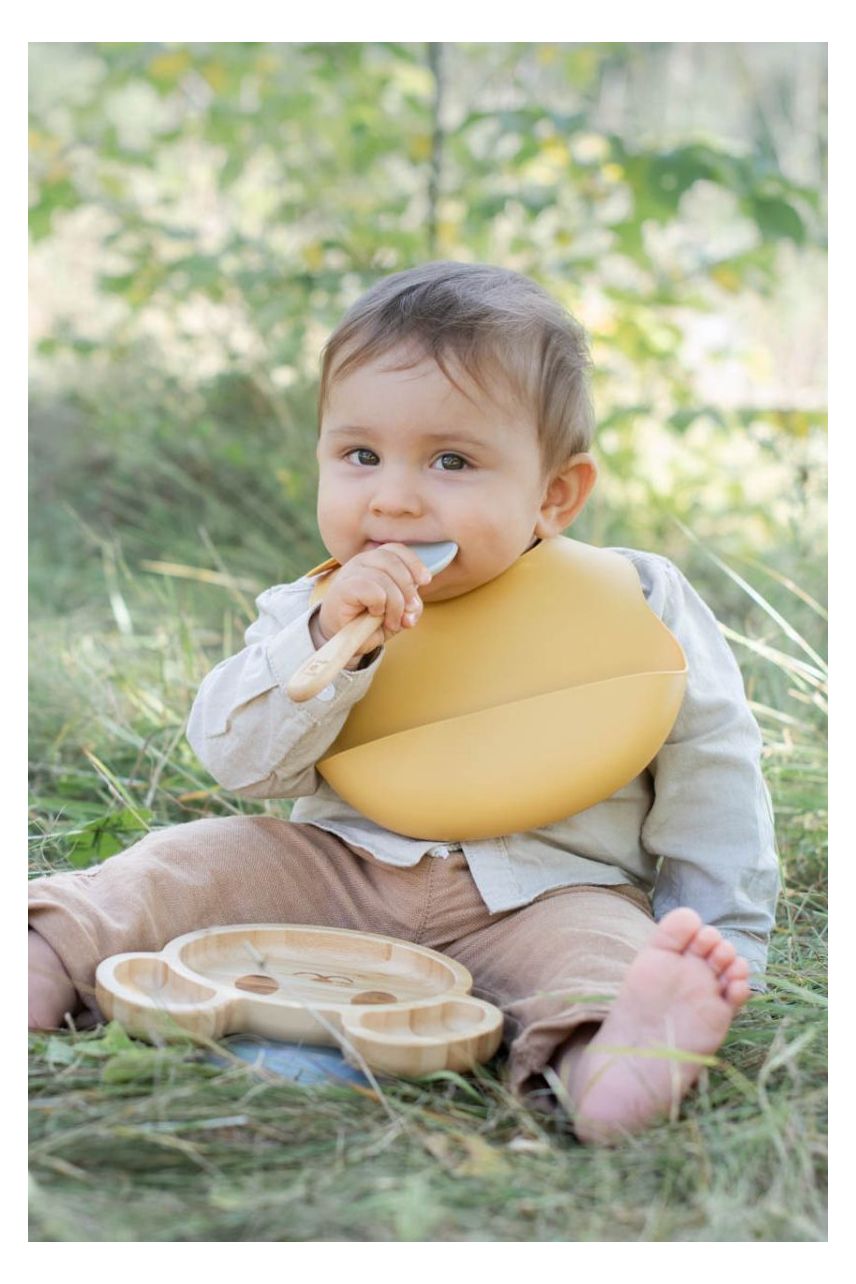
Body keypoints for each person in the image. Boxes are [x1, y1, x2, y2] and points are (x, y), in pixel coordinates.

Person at [28, 262, 779, 1143]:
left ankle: (615, 1059)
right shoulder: (313, 607)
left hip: (548, 893)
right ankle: (44, 960)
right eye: (359, 456)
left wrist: (717, 931)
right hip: (337, 867)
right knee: (182, 865)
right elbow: (238, 763)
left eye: (452, 461)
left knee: (599, 959)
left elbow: (714, 770)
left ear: (554, 494)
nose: (391, 498)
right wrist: (323, 643)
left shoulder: (636, 602)